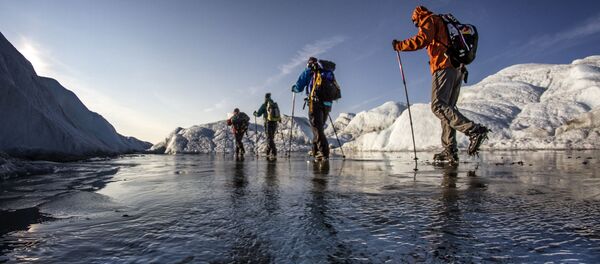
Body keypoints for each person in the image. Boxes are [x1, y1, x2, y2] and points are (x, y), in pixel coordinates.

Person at [392, 5, 489, 163]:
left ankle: (474, 130)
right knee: (447, 109)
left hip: (443, 66)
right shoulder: (445, 22)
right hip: (457, 68)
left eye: (415, 22)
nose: (417, 26)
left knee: (437, 105)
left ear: (417, 16)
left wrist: (400, 46)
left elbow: (423, 39)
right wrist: (462, 68)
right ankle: (449, 149)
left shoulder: (429, 19)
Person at [291, 57, 333, 161]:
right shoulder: (326, 71)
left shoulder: (309, 70)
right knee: (318, 128)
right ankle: (316, 151)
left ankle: (324, 153)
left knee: (316, 128)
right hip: (327, 103)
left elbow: (299, 86)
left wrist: (294, 88)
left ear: (309, 63)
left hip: (315, 103)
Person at [254, 93, 280, 160]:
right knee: (271, 138)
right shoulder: (274, 104)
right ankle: (268, 152)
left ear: (265, 98)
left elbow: (258, 114)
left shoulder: (264, 105)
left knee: (269, 138)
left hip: (268, 123)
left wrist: (254, 113)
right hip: (275, 123)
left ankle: (274, 152)